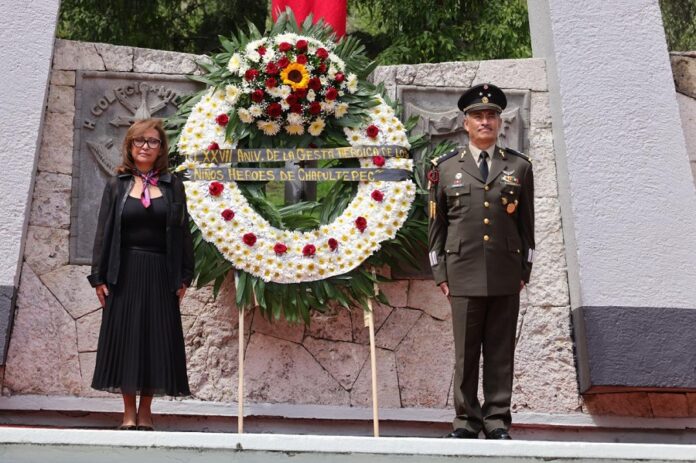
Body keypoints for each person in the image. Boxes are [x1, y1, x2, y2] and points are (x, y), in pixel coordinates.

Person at [427, 83, 534, 440]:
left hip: (505, 272)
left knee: (501, 351)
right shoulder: (444, 169)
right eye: (478, 116)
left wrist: (525, 270)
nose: (485, 121)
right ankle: (466, 422)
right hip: (462, 272)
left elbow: (527, 225)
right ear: (466, 123)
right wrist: (439, 271)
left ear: (499, 122)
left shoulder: (518, 167)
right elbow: (437, 227)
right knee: (466, 352)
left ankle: (497, 421)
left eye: (491, 115)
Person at [87, 118, 194, 430]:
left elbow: (183, 233)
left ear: (161, 148)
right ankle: (128, 412)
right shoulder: (116, 185)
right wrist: (99, 277)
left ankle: (146, 410)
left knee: (155, 339)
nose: (145, 146)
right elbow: (103, 233)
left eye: (152, 141)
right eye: (139, 141)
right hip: (125, 273)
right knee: (126, 339)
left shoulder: (173, 186)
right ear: (130, 147)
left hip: (161, 273)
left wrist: (185, 276)